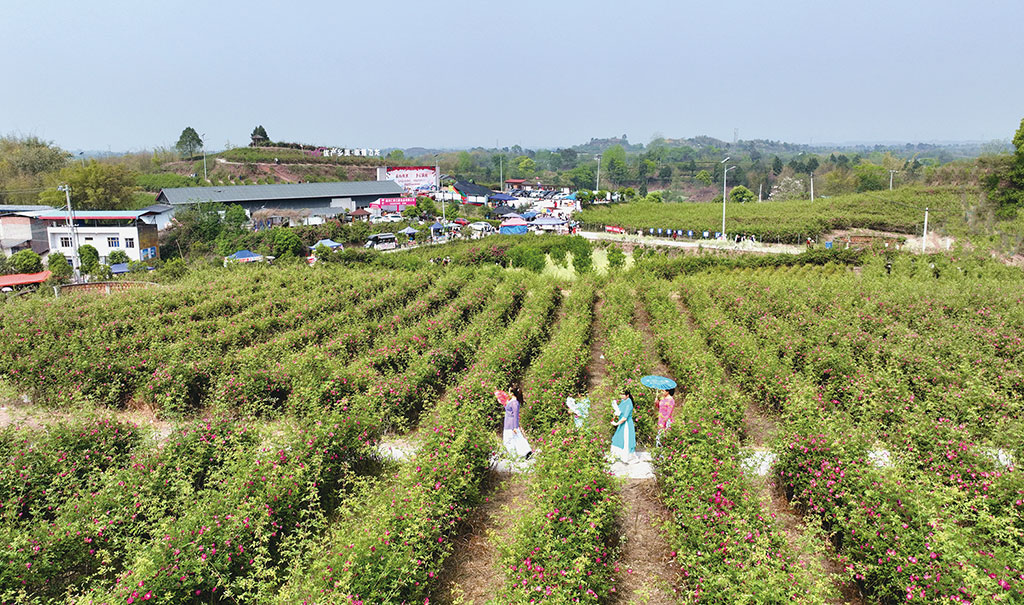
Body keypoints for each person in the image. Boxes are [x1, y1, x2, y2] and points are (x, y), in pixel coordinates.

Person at [496, 389, 532, 459]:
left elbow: (515, 415)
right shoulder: (512, 402)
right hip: (508, 424)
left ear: (512, 393)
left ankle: (520, 455)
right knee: (514, 439)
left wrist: (515, 427)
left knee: (510, 441)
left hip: (511, 425)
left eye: (509, 391)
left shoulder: (515, 403)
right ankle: (523, 453)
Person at [610, 389, 635, 462]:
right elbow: (620, 411)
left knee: (625, 440)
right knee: (618, 438)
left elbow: (625, 417)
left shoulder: (629, 403)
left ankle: (625, 457)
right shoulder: (623, 401)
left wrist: (616, 423)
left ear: (627, 395)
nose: (621, 395)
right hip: (621, 422)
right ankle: (617, 455)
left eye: (623, 394)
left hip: (626, 424)